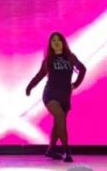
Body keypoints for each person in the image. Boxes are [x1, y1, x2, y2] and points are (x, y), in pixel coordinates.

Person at [25, 31, 86, 162]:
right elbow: (39, 76)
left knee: (58, 122)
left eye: (58, 40)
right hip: (50, 94)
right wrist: (29, 87)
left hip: (65, 95)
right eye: (53, 41)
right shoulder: (48, 60)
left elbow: (82, 69)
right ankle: (67, 151)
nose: (56, 42)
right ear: (50, 44)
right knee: (60, 117)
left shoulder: (70, 57)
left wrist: (76, 84)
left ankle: (51, 150)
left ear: (63, 42)